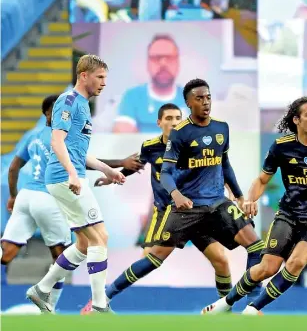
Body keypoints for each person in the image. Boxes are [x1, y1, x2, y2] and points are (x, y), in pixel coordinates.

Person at [80, 102, 234, 315]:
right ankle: (100, 301)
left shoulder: (195, 143)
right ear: (159, 122)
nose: (173, 122)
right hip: (169, 213)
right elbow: (135, 165)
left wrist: (230, 188)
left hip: (198, 213)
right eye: (168, 118)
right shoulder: (151, 146)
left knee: (221, 260)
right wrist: (113, 178)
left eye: (177, 118)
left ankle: (225, 310)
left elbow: (215, 166)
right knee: (150, 260)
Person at [26, 55, 126, 314]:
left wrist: (108, 170)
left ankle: (42, 289)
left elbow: (77, 150)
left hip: (70, 176)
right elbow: (56, 142)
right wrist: (72, 174)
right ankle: (100, 305)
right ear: (84, 75)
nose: (104, 83)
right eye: (100, 77)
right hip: (65, 178)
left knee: (85, 243)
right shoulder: (68, 101)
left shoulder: (83, 105)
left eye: (106, 78)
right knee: (99, 238)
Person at [159, 79, 265, 306]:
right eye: (199, 98)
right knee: (153, 259)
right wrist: (176, 194)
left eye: (208, 97)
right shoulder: (180, 134)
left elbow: (225, 165)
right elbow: (165, 173)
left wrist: (239, 197)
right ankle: (105, 299)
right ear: (188, 103)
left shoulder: (221, 128)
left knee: (254, 247)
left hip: (217, 203)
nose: (206, 102)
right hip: (188, 208)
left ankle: (250, 303)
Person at [201, 97, 307, 316]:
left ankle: (253, 308)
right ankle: (225, 304)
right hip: (288, 215)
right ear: (297, 119)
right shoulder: (282, 146)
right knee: (267, 268)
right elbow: (262, 180)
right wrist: (250, 200)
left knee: (296, 263)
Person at [1, 95, 70, 311]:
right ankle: (49, 309)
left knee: (7, 252)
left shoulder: (32, 135)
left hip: (25, 196)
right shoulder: (64, 136)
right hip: (48, 198)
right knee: (62, 257)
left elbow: (13, 169)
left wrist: (13, 195)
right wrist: (117, 165)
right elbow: (85, 163)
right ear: (50, 113)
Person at [113, 34, 187, 134]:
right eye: (156, 58)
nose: (163, 64)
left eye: (169, 58)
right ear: (148, 64)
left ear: (178, 63)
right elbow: (123, 136)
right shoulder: (132, 96)